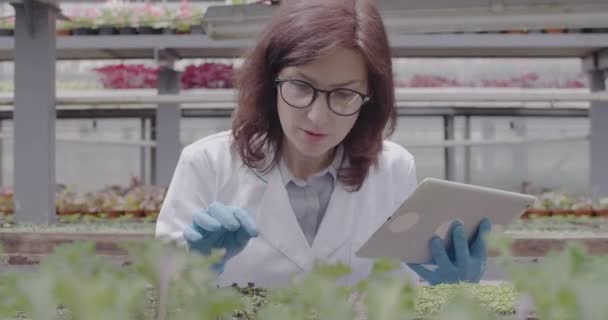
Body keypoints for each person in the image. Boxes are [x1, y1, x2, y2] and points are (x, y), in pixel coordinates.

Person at [155, 0, 491, 288]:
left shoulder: (393, 168)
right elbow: (163, 293)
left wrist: (449, 291)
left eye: (344, 94)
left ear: (369, 99)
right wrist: (192, 267)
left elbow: (397, 290)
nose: (317, 117)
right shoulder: (207, 163)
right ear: (270, 81)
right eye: (301, 86)